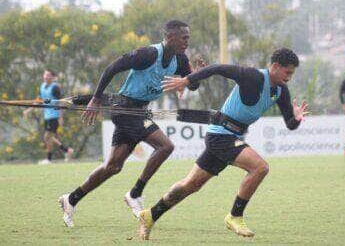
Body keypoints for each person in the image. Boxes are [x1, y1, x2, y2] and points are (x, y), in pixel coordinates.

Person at [137, 48, 309, 240]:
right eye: (288, 72)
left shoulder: (281, 91)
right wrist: (187, 80)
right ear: (276, 66)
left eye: (292, 74)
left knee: (190, 185)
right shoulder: (252, 76)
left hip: (230, 138)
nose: (290, 77)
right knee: (260, 167)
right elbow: (217, 68)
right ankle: (235, 216)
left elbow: (290, 124)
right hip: (220, 136)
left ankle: (150, 215)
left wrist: (298, 117)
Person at [58, 20, 203, 227]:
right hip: (124, 109)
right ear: (170, 37)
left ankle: (71, 199)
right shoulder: (149, 54)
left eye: (188, 37)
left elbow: (193, 85)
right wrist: (96, 99)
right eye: (184, 37)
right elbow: (112, 68)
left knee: (113, 167)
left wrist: (196, 74)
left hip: (138, 111)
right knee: (166, 146)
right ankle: (135, 194)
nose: (187, 42)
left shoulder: (180, 59)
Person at [23, 70, 74, 165]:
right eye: (45, 75)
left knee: (47, 137)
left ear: (52, 77)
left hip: (54, 115)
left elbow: (60, 102)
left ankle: (49, 159)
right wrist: (28, 110)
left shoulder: (55, 87)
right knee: (49, 137)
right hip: (47, 116)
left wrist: (60, 117)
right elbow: (39, 100)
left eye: (49, 75)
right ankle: (67, 150)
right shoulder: (42, 86)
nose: (46, 76)